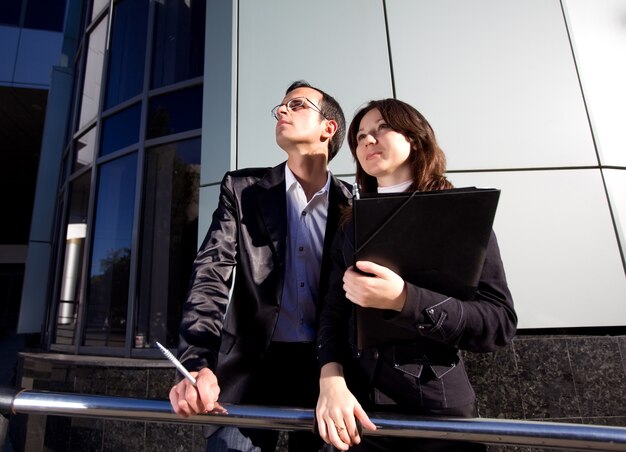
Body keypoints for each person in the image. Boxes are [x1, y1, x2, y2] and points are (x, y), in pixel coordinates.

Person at [315, 99, 517, 451]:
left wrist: (404, 299)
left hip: (437, 417)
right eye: (360, 136)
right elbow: (331, 313)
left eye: (381, 129)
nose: (367, 140)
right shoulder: (349, 225)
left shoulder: (460, 215)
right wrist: (330, 379)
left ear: (415, 137)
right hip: (357, 414)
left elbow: (498, 323)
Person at [169, 80, 351, 452]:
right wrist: (196, 362)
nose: (282, 111)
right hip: (251, 367)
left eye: (297, 105)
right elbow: (211, 275)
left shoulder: (353, 203)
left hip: (327, 368)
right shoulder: (243, 190)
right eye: (280, 107)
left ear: (327, 128)